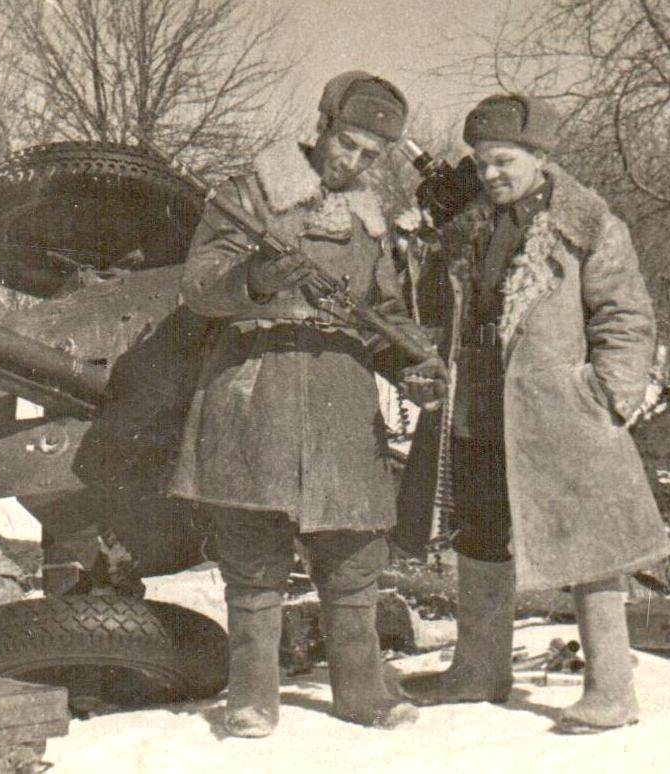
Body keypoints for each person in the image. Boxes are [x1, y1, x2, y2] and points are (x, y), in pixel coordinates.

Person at [169, 71, 446, 737]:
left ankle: (362, 690)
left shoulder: (369, 220)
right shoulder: (249, 194)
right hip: (258, 388)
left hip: (342, 400)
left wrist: (408, 361)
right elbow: (200, 287)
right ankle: (253, 696)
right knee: (254, 553)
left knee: (354, 553)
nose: (351, 162)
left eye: (369, 155)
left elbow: (377, 312)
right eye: (346, 144)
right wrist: (256, 279)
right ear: (321, 127)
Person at [399, 94, 670, 732]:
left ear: (539, 157)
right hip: (478, 402)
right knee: (482, 529)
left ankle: (611, 690)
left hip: (560, 410)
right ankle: (479, 670)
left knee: (590, 541)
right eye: (481, 162)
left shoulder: (588, 224)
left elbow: (626, 316)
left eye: (503, 160)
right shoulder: (466, 221)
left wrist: (606, 393)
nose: (491, 173)